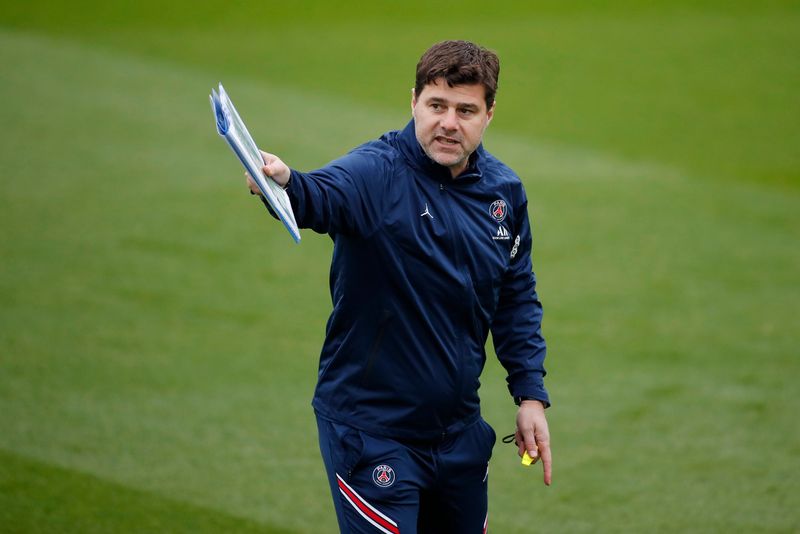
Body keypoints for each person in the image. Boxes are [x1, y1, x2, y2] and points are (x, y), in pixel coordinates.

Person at [247, 40, 551, 533]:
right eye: (436, 106)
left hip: (457, 436)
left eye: (465, 110)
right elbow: (318, 195)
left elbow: (515, 296)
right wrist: (285, 183)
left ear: (489, 115)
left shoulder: (503, 193)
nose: (449, 123)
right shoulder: (375, 173)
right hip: (373, 435)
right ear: (413, 101)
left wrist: (530, 395)